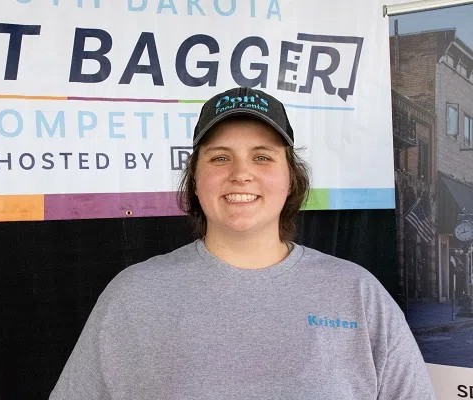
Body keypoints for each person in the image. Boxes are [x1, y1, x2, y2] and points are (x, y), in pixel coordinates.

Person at [49, 87, 436, 399]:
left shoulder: (359, 295)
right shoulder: (133, 297)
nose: (241, 174)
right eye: (220, 158)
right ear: (195, 179)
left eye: (262, 157)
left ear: (291, 179)